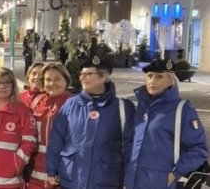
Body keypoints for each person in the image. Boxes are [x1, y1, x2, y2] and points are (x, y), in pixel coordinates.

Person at [46, 56, 134, 188]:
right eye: (81, 74)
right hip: (72, 179)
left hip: (106, 180)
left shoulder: (122, 107)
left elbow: (131, 146)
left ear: (103, 77)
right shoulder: (70, 104)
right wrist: (52, 170)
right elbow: (57, 140)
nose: (82, 78)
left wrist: (129, 178)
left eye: (88, 74)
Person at [125, 58, 208, 189]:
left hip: (162, 184)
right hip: (134, 182)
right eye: (150, 76)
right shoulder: (140, 107)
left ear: (171, 81)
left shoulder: (182, 109)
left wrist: (175, 173)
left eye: (159, 77)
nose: (152, 81)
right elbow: (130, 144)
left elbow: (198, 149)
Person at [27, 62, 71, 189]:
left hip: (62, 175)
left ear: (66, 81)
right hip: (35, 174)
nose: (52, 83)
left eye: (57, 79)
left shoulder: (74, 104)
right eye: (48, 79)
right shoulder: (36, 102)